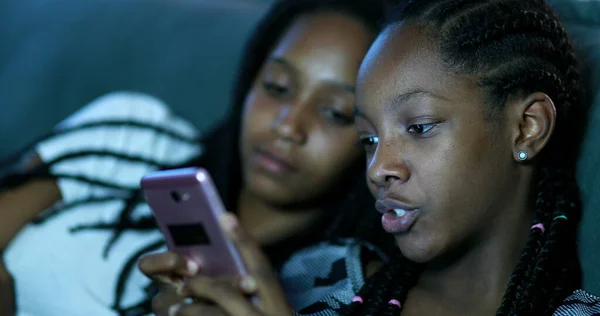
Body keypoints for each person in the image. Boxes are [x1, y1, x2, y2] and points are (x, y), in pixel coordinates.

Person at [143, 0, 600, 315]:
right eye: (367, 139)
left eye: (418, 128)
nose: (379, 169)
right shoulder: (319, 277)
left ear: (527, 126)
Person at [0, 0, 389, 315]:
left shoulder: (334, 288)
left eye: (336, 112)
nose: (288, 127)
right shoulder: (133, 133)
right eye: (277, 87)